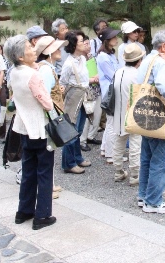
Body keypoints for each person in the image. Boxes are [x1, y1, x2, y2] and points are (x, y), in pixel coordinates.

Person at [4, 35, 57, 230]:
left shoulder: (14, 73)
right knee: (44, 171)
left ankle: (23, 211)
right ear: (20, 56)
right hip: (40, 127)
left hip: (23, 127)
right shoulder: (34, 75)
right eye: (29, 47)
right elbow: (47, 103)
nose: (33, 49)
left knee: (28, 171)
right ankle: (42, 215)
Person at [137, 30, 165, 214]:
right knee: (161, 160)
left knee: (147, 157)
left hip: (145, 113)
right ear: (163, 46)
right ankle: (153, 201)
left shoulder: (147, 60)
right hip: (159, 115)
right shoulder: (161, 63)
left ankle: (143, 195)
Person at [34, 35, 68, 199]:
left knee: (49, 151)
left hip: (48, 115)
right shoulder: (46, 69)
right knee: (48, 151)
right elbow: (45, 95)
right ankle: (47, 187)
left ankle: (50, 185)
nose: (59, 50)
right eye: (56, 48)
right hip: (49, 116)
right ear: (48, 52)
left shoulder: (44, 67)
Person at [60, 30, 95, 174]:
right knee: (71, 130)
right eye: (81, 41)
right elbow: (63, 82)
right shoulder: (68, 64)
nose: (84, 43)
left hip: (84, 95)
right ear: (74, 44)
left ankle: (77, 157)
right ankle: (68, 163)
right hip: (74, 96)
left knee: (79, 130)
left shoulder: (82, 59)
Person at [112, 43, 144, 185]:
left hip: (118, 112)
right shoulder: (138, 75)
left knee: (119, 142)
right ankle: (135, 175)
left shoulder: (118, 72)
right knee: (135, 143)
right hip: (133, 112)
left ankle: (118, 171)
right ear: (139, 60)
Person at [96, 27, 121, 163]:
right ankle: (112, 154)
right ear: (106, 40)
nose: (116, 39)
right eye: (113, 37)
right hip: (110, 93)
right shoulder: (103, 57)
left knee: (111, 122)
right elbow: (113, 75)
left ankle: (105, 149)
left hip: (112, 91)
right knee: (112, 123)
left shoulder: (110, 55)